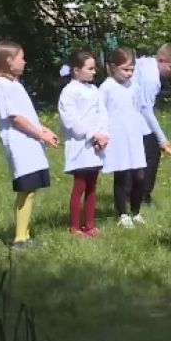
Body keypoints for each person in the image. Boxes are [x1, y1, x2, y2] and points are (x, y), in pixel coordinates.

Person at [0, 41, 58, 249]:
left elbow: (26, 115)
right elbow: (16, 118)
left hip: (30, 142)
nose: (25, 61)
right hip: (20, 144)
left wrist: (43, 129)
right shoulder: (1, 85)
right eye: (21, 57)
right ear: (9, 61)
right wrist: (39, 134)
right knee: (26, 190)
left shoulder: (15, 84)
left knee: (31, 189)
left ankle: (25, 234)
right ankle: (20, 238)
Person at [58, 50, 109, 236]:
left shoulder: (94, 90)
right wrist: (92, 134)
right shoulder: (69, 92)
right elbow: (71, 120)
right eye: (90, 68)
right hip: (81, 144)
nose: (94, 72)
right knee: (79, 185)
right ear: (76, 70)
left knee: (92, 186)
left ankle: (89, 224)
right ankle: (74, 225)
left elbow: (103, 113)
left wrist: (103, 135)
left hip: (96, 145)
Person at [100, 47, 148, 228]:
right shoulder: (106, 88)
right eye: (125, 69)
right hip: (117, 138)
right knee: (122, 176)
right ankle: (122, 213)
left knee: (140, 176)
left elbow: (138, 109)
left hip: (134, 136)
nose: (129, 74)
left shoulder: (134, 86)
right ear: (113, 67)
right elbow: (102, 113)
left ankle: (136, 211)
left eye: (132, 70)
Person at [133, 43, 171, 205]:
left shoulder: (146, 63)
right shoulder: (152, 79)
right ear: (161, 60)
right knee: (152, 153)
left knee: (143, 155)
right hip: (133, 118)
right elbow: (145, 109)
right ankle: (142, 195)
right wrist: (161, 138)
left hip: (133, 116)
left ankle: (135, 192)